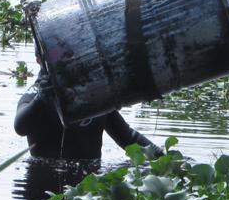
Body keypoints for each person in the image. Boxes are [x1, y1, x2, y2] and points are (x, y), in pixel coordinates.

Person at [15, 61, 157, 161]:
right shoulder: (34, 95)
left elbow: (128, 138)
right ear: (39, 60)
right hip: (43, 189)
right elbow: (20, 128)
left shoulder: (95, 94)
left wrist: (166, 160)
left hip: (89, 190)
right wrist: (41, 99)